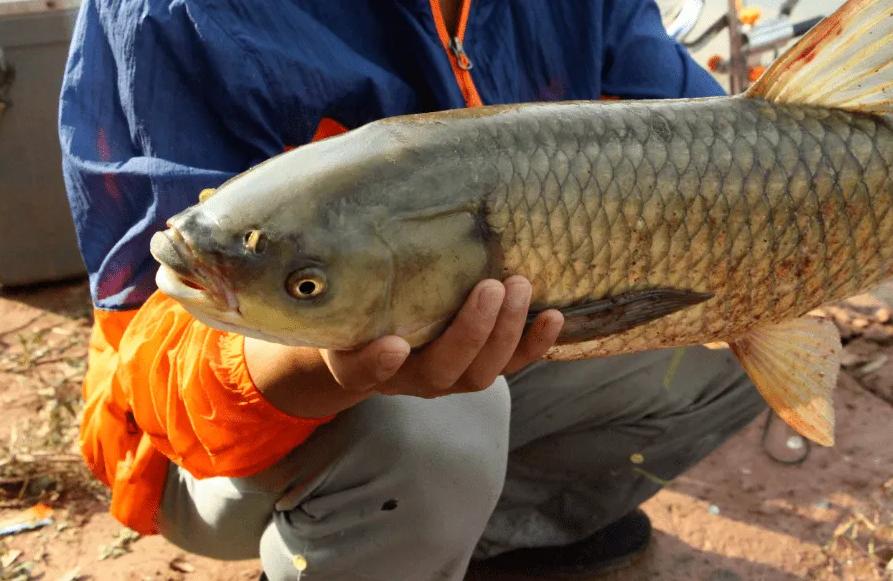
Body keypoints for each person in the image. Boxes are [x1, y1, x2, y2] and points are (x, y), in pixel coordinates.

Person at [59, 1, 766, 579]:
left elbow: (724, 155)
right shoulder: (175, 12)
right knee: (436, 423)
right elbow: (152, 366)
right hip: (194, 446)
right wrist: (332, 366)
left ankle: (483, 537)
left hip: (492, 342)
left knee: (752, 313)